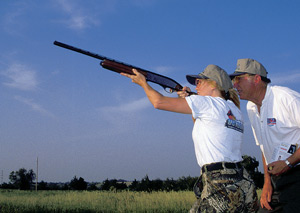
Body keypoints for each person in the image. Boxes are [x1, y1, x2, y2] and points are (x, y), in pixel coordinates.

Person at [121, 64, 258, 212]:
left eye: (200, 82)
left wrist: (143, 83)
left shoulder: (207, 103)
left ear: (214, 85)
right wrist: (190, 99)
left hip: (219, 182)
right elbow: (203, 125)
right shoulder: (234, 109)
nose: (196, 86)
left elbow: (158, 102)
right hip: (239, 180)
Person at [229, 58, 300, 212]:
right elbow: (263, 147)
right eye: (234, 80)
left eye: (239, 79)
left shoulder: (286, 98)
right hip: (277, 178)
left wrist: (289, 162)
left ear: (257, 78)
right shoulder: (251, 108)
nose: (235, 85)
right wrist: (267, 182)